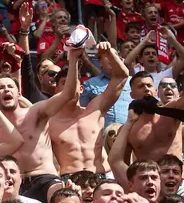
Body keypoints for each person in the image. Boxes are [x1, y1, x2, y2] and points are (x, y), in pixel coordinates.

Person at [0, 47, 81, 203]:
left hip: (45, 179)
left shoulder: (36, 112)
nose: (6, 90)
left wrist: (72, 59)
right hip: (13, 185)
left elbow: (68, 93)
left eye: (10, 86)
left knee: (62, 198)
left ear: (19, 94)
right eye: (1, 87)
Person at [48, 42, 129, 176]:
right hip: (69, 180)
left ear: (81, 88)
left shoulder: (95, 110)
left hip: (101, 177)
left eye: (75, 83)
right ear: (56, 89)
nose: (71, 86)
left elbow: (121, 77)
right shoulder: (49, 121)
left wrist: (109, 53)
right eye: (64, 83)